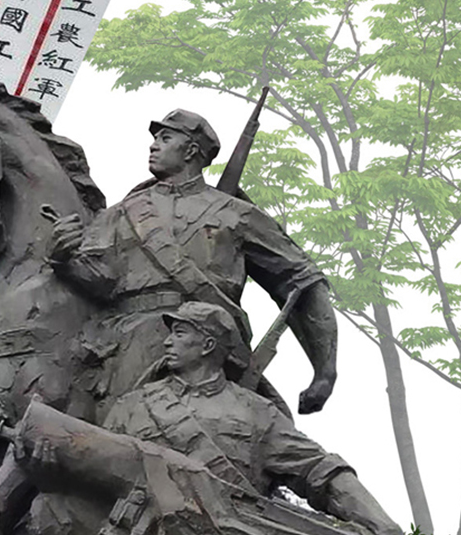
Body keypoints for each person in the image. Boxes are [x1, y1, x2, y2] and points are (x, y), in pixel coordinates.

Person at [18, 302, 417, 535]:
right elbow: (98, 483)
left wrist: (383, 526)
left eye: (180, 333)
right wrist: (49, 473)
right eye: (169, 333)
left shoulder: (255, 413)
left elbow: (322, 472)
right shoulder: (133, 406)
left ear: (208, 345)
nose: (167, 342)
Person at [46, 110, 338, 415]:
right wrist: (62, 258)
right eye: (156, 139)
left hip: (205, 351)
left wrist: (324, 373)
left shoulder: (236, 214)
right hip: (127, 347)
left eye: (165, 138)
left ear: (191, 150)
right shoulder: (124, 212)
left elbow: (303, 282)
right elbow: (101, 281)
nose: (153, 145)